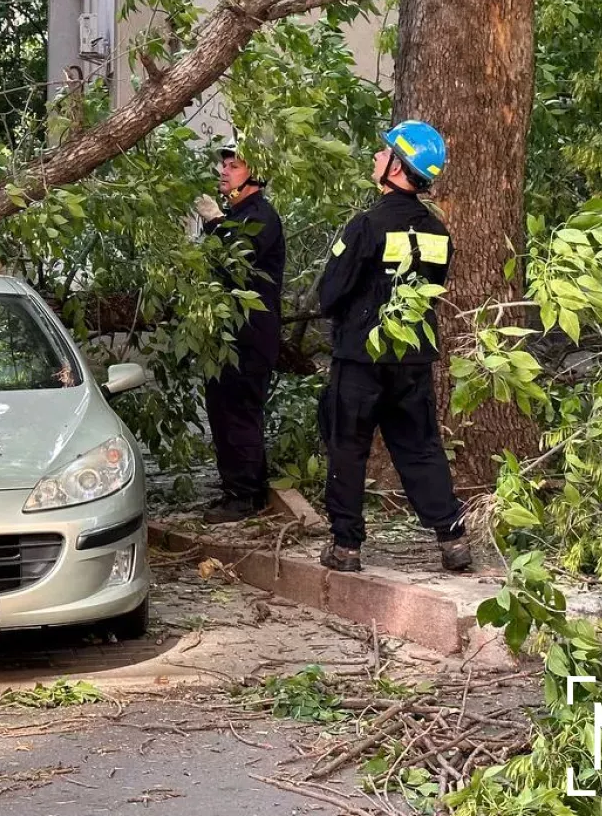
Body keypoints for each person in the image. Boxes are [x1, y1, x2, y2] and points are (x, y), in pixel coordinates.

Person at [315, 120, 470, 574]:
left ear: (398, 168)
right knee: (420, 448)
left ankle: (346, 546)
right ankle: (453, 538)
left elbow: (329, 295)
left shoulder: (364, 226)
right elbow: (432, 288)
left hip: (361, 360)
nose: (376, 159)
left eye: (384, 154)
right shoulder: (439, 232)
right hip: (412, 359)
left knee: (348, 447)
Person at [193, 138, 286, 524]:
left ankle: (246, 496)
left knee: (240, 414)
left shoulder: (260, 216)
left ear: (255, 175)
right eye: (223, 166)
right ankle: (238, 489)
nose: (223, 172)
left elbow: (238, 263)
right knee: (221, 411)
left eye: (233, 166)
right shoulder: (236, 215)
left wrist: (215, 222)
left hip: (249, 335)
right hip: (225, 334)